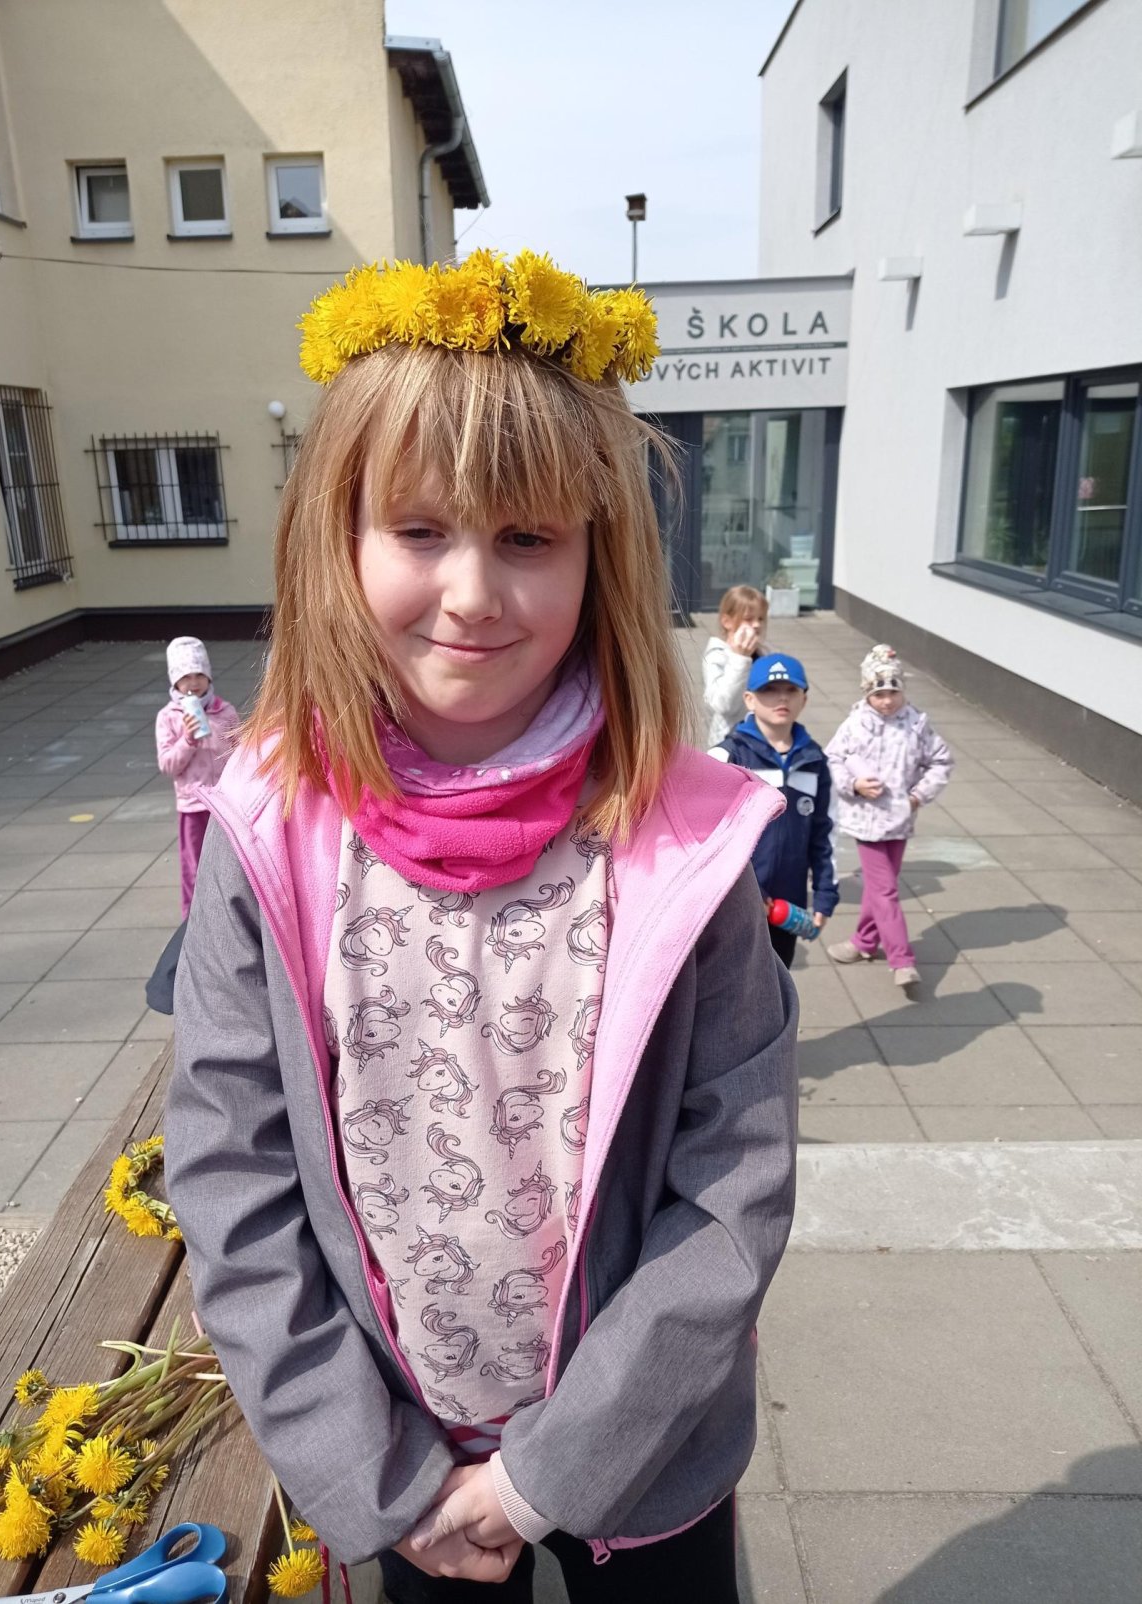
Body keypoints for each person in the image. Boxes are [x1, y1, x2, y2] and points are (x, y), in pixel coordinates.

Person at [163, 251, 799, 1604]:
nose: (471, 591)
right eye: (420, 530)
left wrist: (542, 1476)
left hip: (648, 1454)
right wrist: (375, 1472)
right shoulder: (266, 834)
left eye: (526, 538)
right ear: (337, 539)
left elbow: (732, 1187)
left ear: (597, 553)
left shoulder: (682, 844)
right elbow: (232, 1175)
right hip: (400, 1457)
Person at [824, 644, 953, 989]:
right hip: (867, 822)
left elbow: (941, 761)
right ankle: (902, 960)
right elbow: (831, 759)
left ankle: (864, 942)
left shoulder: (916, 724)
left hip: (900, 820)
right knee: (885, 891)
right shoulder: (855, 724)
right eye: (878, 693)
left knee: (880, 888)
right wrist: (853, 784)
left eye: (893, 692)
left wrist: (918, 796)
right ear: (867, 693)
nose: (887, 701)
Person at [709, 653, 838, 968]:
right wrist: (754, 890)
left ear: (804, 699)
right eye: (769, 690)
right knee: (733, 985)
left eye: (791, 689)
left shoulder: (815, 761)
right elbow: (707, 838)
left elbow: (824, 834)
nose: (781, 698)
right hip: (733, 903)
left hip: (786, 907)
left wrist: (825, 894)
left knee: (779, 984)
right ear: (749, 700)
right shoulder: (726, 758)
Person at [154, 636, 240, 918]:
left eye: (199, 675)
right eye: (186, 677)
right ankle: (192, 922)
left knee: (229, 864)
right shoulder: (169, 717)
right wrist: (188, 739)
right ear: (175, 682)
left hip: (224, 805)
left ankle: (227, 917)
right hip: (193, 806)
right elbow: (168, 765)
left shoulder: (225, 711)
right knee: (194, 868)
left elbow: (239, 755)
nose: (193, 683)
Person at [701, 584, 768, 748]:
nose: (757, 625)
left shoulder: (762, 652)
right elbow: (723, 705)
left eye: (760, 618)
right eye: (748, 619)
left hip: (760, 739)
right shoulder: (716, 656)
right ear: (727, 622)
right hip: (730, 743)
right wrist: (740, 658)